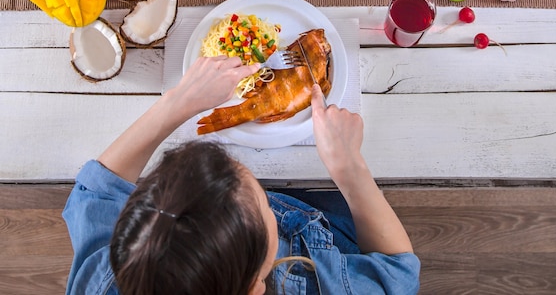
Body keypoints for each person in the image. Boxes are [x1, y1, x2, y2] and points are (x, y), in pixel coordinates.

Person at [63, 55, 420, 294]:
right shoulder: (313, 284)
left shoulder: (107, 277)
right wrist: (349, 167)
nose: (263, 192)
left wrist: (177, 102)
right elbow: (398, 275)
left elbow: (94, 193)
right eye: (264, 204)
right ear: (255, 287)